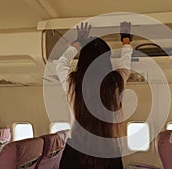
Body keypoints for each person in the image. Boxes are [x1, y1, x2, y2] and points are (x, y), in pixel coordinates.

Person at [56, 22, 133, 169]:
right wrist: (126, 40)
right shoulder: (114, 82)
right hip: (108, 149)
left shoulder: (73, 83)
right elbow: (125, 65)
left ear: (83, 60)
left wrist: (78, 42)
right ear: (107, 61)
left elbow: (61, 63)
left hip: (75, 151)